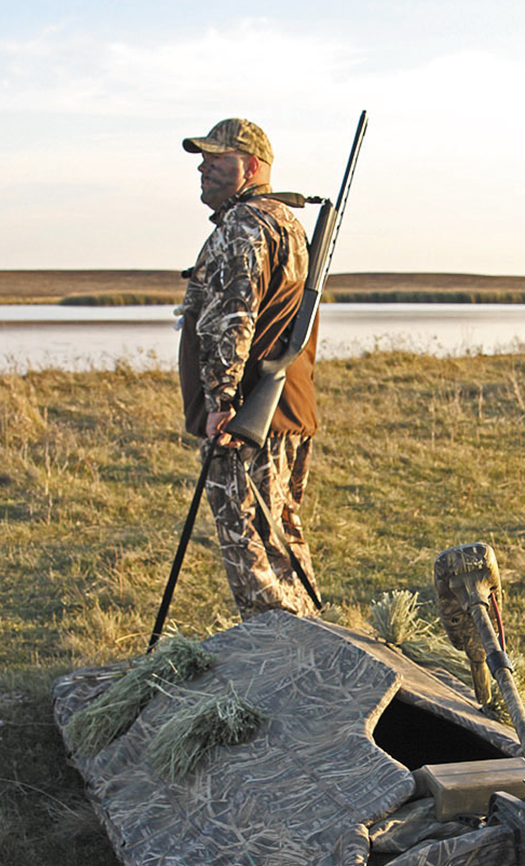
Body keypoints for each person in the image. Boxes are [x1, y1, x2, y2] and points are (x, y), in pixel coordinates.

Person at [177, 117, 321, 620]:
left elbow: (233, 317)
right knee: (279, 531)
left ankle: (279, 651)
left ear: (252, 166)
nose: (204, 167)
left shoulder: (245, 225)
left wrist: (221, 403)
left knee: (250, 544)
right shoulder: (286, 222)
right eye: (203, 158)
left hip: (247, 420)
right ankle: (316, 645)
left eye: (218, 158)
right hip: (282, 410)